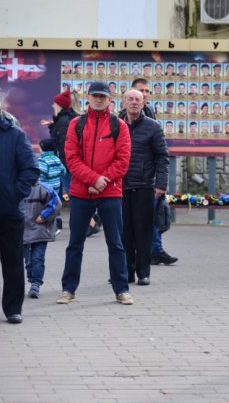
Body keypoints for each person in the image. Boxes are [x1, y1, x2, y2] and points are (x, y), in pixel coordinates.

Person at [58, 81, 134, 306]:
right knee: (75, 243)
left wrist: (102, 181)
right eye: (95, 96)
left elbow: (123, 161)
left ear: (110, 99)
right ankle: (68, 289)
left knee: (116, 243)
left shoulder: (119, 125)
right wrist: (93, 179)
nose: (98, 99)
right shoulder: (76, 124)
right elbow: (71, 158)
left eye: (103, 96)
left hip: (110, 192)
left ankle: (121, 290)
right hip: (82, 192)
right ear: (88, 98)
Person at [0, 91, 39, 324]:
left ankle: (13, 309)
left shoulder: (15, 135)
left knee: (12, 262)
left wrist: (15, 194)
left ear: (1, 106)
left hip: (9, 211)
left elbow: (30, 169)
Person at [119, 90, 169, 286]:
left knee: (143, 231)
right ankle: (126, 272)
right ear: (124, 102)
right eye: (130, 99)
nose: (134, 102)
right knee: (124, 232)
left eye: (137, 100)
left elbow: (162, 157)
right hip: (120, 186)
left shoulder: (153, 126)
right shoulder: (116, 125)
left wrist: (161, 184)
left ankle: (143, 273)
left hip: (144, 186)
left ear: (143, 103)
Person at [23, 179, 61, 299]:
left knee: (37, 258)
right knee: (28, 260)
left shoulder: (43, 188)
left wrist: (44, 216)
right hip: (23, 231)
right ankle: (32, 279)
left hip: (40, 229)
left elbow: (56, 203)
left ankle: (35, 284)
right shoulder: (17, 187)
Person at [37, 138, 65, 234]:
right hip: (56, 188)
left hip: (45, 189)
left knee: (45, 208)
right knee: (53, 206)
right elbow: (63, 171)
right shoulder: (57, 159)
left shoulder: (42, 160)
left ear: (42, 148)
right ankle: (56, 225)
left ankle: (53, 228)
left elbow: (41, 175)